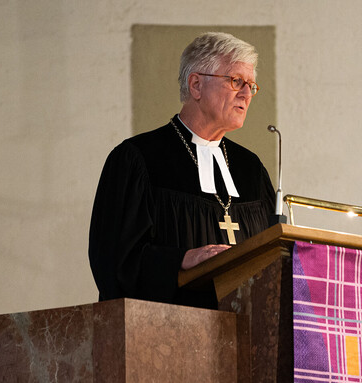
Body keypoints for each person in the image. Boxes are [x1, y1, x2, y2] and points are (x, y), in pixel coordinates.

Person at [89, 32, 275, 309]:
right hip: (167, 335)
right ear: (196, 85)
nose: (247, 94)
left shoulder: (251, 169)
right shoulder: (138, 159)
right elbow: (114, 260)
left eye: (251, 85)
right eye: (236, 81)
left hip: (248, 332)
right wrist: (180, 260)